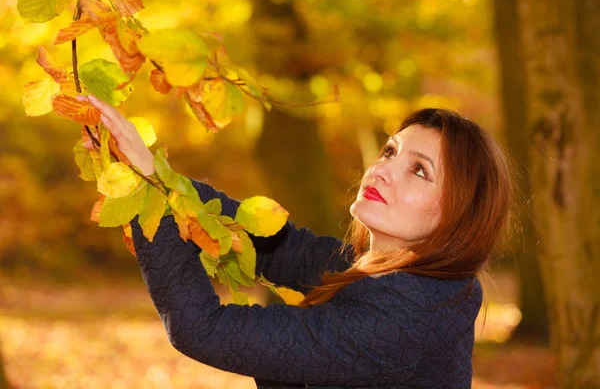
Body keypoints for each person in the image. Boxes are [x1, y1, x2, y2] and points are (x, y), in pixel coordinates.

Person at [79, 94, 515, 388]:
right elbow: (278, 244)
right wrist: (155, 176)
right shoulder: (394, 271)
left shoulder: (404, 313)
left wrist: (143, 193)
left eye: (419, 170)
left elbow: (202, 328)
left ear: (458, 214)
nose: (382, 170)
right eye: (390, 152)